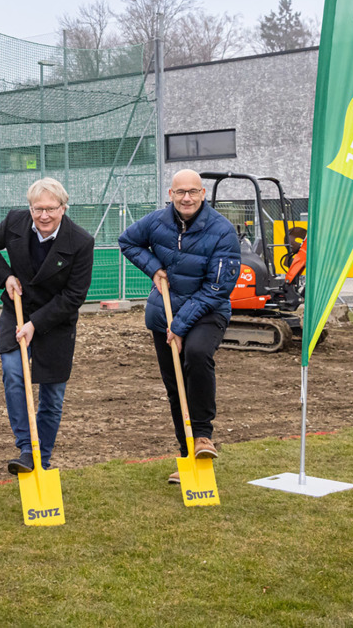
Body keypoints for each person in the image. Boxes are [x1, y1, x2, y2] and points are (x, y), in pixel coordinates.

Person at [118, 169, 240, 485]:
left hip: (207, 312)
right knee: (175, 386)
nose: (186, 198)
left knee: (197, 355)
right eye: (180, 192)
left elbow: (217, 289)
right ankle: (189, 457)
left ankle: (203, 437)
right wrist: (154, 268)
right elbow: (128, 241)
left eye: (193, 192)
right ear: (170, 195)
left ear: (203, 194)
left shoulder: (223, 231)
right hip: (165, 314)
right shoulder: (157, 221)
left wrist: (182, 326)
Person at [0, 178, 95, 474]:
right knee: (15, 373)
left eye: (51, 209)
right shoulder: (15, 223)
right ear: (30, 208)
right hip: (17, 308)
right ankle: (28, 449)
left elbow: (74, 296)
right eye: (38, 208)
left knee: (52, 394)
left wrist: (35, 325)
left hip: (56, 320)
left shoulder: (80, 242)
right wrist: (5, 277)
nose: (44, 216)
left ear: (63, 208)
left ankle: (43, 457)